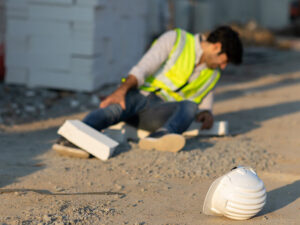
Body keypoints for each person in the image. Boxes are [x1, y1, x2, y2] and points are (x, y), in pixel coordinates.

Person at [56, 26, 243, 155]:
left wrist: (207, 112)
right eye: (225, 60)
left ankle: (160, 137)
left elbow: (203, 97)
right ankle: (73, 138)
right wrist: (121, 90)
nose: (224, 67)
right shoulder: (176, 39)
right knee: (116, 107)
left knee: (190, 107)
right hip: (140, 98)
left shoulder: (213, 73)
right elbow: (143, 68)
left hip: (160, 115)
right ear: (216, 47)